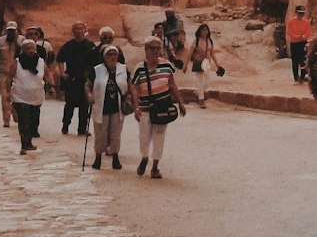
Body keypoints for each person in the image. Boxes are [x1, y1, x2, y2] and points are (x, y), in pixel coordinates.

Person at [131, 36, 186, 179]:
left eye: (158, 48)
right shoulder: (139, 68)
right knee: (144, 136)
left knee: (159, 136)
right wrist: (136, 107)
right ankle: (144, 158)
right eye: (152, 48)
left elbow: (172, 84)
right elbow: (134, 87)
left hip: (162, 106)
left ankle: (155, 166)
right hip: (145, 108)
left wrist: (180, 102)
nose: (155, 51)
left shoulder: (167, 65)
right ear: (146, 50)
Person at [87, 45, 132, 171]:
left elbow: (130, 85)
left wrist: (134, 99)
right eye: (109, 54)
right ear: (104, 57)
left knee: (116, 134)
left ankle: (115, 157)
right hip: (101, 107)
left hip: (117, 107)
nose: (112, 57)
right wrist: (89, 95)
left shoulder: (123, 69)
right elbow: (88, 85)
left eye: (114, 54)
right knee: (100, 133)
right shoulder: (96, 70)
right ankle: (98, 158)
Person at [56, 21, 97, 137]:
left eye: (81, 28)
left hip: (85, 79)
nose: (79, 31)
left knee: (85, 105)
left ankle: (82, 129)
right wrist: (62, 73)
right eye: (77, 29)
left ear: (85, 30)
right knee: (69, 104)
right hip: (71, 79)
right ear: (73, 31)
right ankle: (65, 125)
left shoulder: (90, 45)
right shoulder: (68, 45)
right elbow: (59, 59)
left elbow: (95, 63)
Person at [10, 37, 46, 153]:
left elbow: (48, 74)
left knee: (32, 120)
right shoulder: (17, 62)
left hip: (36, 96)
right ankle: (24, 144)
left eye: (32, 48)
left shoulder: (40, 62)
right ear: (23, 50)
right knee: (23, 121)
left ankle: (29, 142)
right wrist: (6, 94)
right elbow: (8, 78)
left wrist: (53, 86)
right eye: (27, 48)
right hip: (20, 96)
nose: (30, 50)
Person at [188, 22, 218, 106]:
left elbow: (212, 53)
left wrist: (217, 64)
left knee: (207, 81)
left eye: (206, 30)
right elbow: (190, 52)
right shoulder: (196, 41)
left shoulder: (209, 41)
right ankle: (201, 99)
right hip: (198, 62)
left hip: (206, 63)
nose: (205, 31)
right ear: (200, 31)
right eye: (203, 30)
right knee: (200, 80)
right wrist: (186, 65)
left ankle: (198, 93)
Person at [0, 22, 20, 127]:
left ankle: (15, 113)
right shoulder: (0, 41)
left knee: (17, 96)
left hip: (17, 74)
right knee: (4, 97)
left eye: (13, 30)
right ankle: (6, 120)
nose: (11, 32)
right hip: (4, 73)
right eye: (9, 30)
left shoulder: (21, 41)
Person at [286, 3, 312, 83]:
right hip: (294, 43)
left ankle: (302, 77)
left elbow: (308, 32)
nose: (301, 15)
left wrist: (303, 36)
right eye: (300, 13)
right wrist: (296, 36)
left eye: (302, 13)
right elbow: (289, 31)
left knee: (303, 60)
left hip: (303, 42)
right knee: (295, 60)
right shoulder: (291, 22)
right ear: (296, 13)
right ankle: (296, 77)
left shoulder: (306, 22)